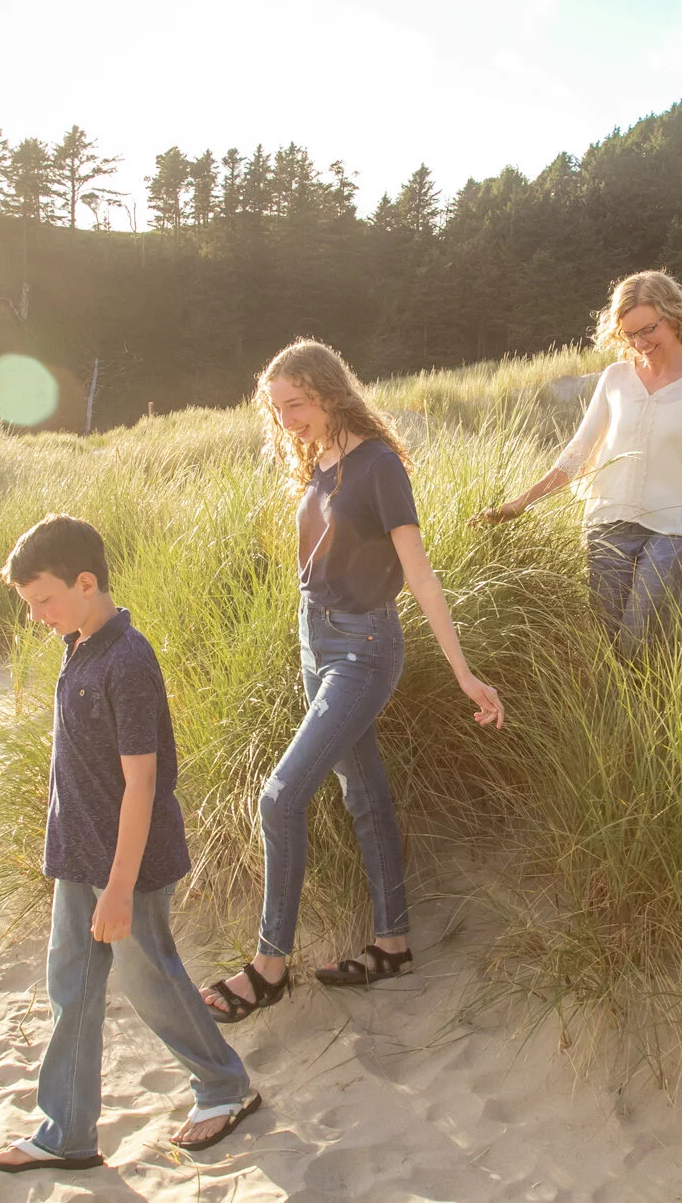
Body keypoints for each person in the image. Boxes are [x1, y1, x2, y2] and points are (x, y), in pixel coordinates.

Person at [200, 339, 505, 1023]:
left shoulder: (378, 464)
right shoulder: (318, 461)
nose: (286, 420)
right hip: (317, 638)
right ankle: (392, 941)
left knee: (279, 798)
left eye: (297, 405)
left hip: (364, 647)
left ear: (332, 393)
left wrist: (463, 672)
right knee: (362, 792)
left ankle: (268, 966)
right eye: (277, 408)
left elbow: (420, 575)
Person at [0, 515, 259, 1173]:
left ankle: (224, 1086)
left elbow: (143, 782)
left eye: (44, 599)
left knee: (148, 976)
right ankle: (66, 1130)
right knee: (70, 988)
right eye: (29, 605)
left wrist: (121, 886)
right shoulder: (77, 642)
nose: (38, 615)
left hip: (127, 861)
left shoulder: (127, 660)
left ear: (85, 582)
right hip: (78, 856)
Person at [473, 270, 682, 657]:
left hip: (675, 529)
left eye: (649, 330)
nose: (640, 344)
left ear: (674, 317)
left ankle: (665, 702)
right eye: (630, 334)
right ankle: (628, 712)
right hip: (608, 523)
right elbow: (575, 455)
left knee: (640, 638)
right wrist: (520, 504)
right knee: (610, 644)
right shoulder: (614, 379)